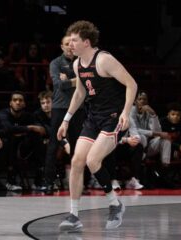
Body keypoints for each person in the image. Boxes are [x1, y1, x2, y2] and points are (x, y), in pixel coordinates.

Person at [57, 20, 137, 231]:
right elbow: (80, 93)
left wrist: (126, 113)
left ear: (86, 42)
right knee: (77, 161)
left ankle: (115, 204)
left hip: (113, 118)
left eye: (74, 41)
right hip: (94, 118)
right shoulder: (77, 64)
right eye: (69, 41)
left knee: (93, 160)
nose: (70, 44)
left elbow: (132, 84)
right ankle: (74, 215)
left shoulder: (104, 60)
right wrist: (66, 120)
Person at [43, 35, 86, 194]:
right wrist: (77, 80)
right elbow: (59, 84)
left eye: (72, 43)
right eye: (67, 44)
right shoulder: (56, 63)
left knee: (78, 146)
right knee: (54, 144)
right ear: (61, 46)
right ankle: (48, 182)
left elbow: (88, 83)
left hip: (78, 109)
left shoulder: (81, 62)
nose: (70, 46)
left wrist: (69, 80)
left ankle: (79, 182)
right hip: (60, 107)